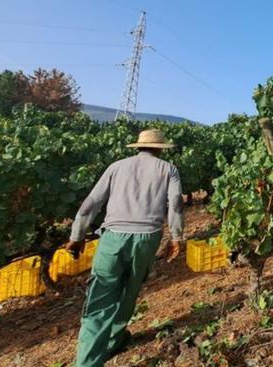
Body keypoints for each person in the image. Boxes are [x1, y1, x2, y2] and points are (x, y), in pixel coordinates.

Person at [66, 129, 184, 367]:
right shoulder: (168, 169)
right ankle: (114, 339)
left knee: (101, 297)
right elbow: (176, 204)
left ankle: (88, 361)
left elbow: (91, 203)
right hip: (148, 238)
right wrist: (176, 237)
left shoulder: (116, 167)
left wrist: (77, 235)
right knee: (131, 289)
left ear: (138, 147)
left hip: (113, 238)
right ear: (160, 148)